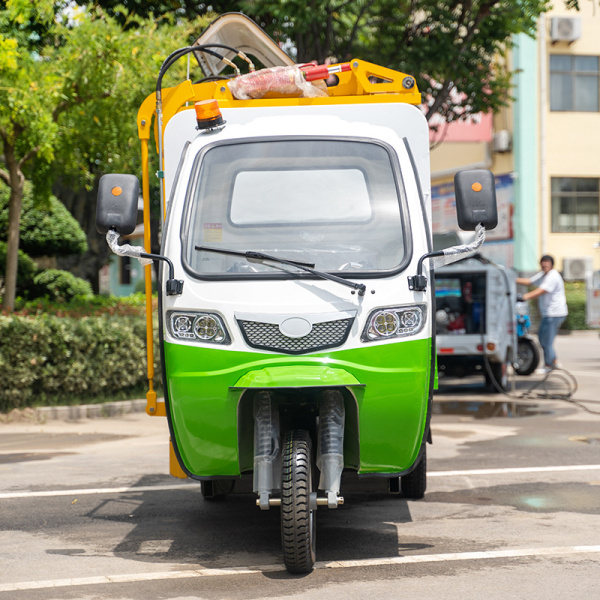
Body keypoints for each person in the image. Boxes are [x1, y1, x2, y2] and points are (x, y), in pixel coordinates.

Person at [516, 255, 568, 372]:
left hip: (554, 313)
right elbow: (529, 282)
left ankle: (549, 365)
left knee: (546, 340)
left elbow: (542, 290)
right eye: (543, 262)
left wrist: (524, 297)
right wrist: (513, 279)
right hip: (549, 314)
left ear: (552, 264)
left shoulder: (553, 276)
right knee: (543, 338)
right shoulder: (543, 275)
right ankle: (554, 361)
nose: (545, 264)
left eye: (547, 262)